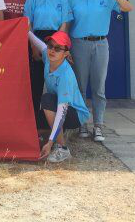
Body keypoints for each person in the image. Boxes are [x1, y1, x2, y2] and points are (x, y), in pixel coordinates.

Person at [67, 0, 134, 142]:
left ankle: (98, 125)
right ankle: (82, 123)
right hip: (79, 44)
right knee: (80, 87)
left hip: (101, 45)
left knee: (99, 88)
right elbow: (66, 23)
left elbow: (128, 7)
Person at [28, 30, 91, 163]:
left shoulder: (65, 75)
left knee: (47, 99)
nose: (52, 50)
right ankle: (53, 135)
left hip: (75, 114)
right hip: (57, 106)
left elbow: (62, 113)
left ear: (66, 53)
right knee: (32, 123)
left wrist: (51, 143)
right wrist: (25, 29)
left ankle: (62, 148)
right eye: (50, 46)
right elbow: (37, 42)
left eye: (58, 48)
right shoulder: (48, 56)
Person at [23, 0, 73, 127]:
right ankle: (34, 124)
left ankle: (58, 123)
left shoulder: (62, 0)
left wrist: (58, 48)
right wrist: (33, 47)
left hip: (56, 41)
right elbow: (28, 25)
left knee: (56, 83)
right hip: (36, 40)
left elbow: (64, 25)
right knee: (36, 83)